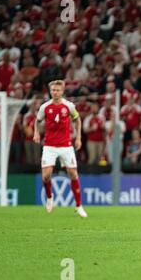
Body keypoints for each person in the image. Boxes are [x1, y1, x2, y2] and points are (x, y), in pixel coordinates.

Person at [33, 80, 87, 218]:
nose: (55, 92)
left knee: (73, 174)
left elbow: (77, 119)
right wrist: (36, 132)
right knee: (46, 175)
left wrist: (79, 137)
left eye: (58, 90)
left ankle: (79, 206)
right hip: (49, 146)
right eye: (53, 90)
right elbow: (37, 121)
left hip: (66, 145)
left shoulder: (68, 106)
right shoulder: (45, 107)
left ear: (62, 91)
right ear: (50, 91)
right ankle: (50, 197)